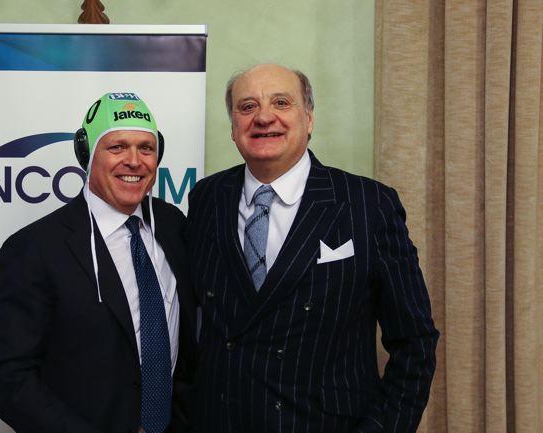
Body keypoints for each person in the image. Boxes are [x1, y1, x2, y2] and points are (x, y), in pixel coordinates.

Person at [185, 64, 439, 433]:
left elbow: (415, 343)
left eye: (281, 103)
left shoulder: (367, 205)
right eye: (248, 106)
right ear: (233, 128)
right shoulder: (206, 198)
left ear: (309, 119)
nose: (264, 117)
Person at [0, 92, 196, 433]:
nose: (134, 161)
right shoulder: (34, 249)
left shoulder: (174, 226)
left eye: (146, 148)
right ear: (87, 154)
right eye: (117, 147)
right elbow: (8, 378)